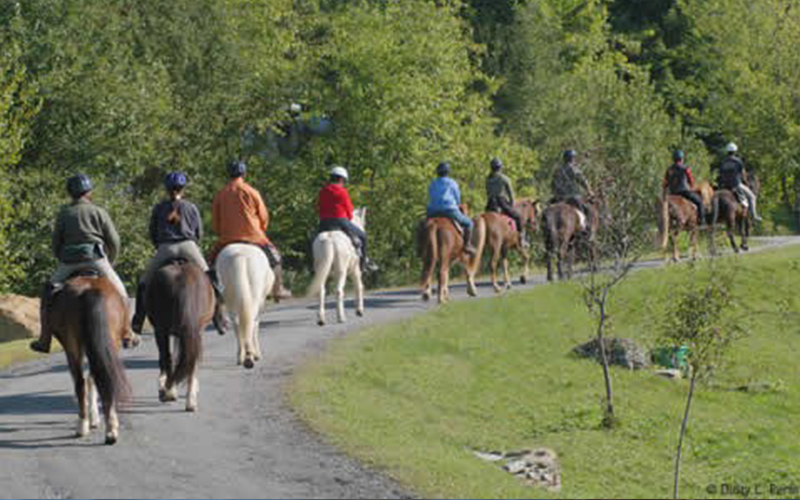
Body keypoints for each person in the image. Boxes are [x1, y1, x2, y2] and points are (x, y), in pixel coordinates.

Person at [30, 174, 129, 353]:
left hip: (69, 262)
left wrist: (61, 258)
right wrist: (110, 260)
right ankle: (128, 331)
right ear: (89, 192)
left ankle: (44, 339)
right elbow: (114, 240)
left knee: (48, 293)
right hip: (96, 260)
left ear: (70, 193)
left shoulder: (64, 213)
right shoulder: (99, 211)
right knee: (121, 290)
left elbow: (56, 243)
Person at [131, 172, 226, 335]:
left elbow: (152, 231)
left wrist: (159, 245)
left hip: (165, 247)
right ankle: (218, 318)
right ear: (183, 188)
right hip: (188, 246)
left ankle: (139, 320)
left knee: (144, 281)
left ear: (166, 189)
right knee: (211, 277)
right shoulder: (191, 207)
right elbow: (198, 232)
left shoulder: (159, 207)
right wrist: (193, 243)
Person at [209, 160, 292, 302]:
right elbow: (264, 217)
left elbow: (216, 222)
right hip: (254, 237)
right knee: (276, 259)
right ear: (244, 174)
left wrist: (222, 233)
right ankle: (278, 289)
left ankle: (214, 294)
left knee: (209, 265)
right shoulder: (252, 192)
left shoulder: (220, 194)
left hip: (227, 239)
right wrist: (261, 229)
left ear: (228, 174)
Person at [317, 166, 379, 272]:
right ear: (341, 179)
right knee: (363, 237)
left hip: (324, 223)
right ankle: (363, 264)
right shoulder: (342, 191)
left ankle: (312, 265)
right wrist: (349, 218)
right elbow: (349, 210)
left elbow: (319, 207)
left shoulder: (323, 191)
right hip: (341, 221)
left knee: (312, 239)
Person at [427, 162, 476, 255]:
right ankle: (467, 245)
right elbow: (457, 197)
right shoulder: (452, 182)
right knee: (469, 223)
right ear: (448, 172)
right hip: (449, 210)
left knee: (422, 225)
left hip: (433, 211)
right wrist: (457, 204)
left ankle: (419, 246)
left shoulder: (433, 183)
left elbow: (431, 195)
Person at [716, 142, 762, 221]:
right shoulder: (738, 161)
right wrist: (745, 182)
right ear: (735, 151)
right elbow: (743, 174)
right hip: (736, 184)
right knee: (752, 197)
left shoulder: (723, 162)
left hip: (724, 185)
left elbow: (720, 173)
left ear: (727, 151)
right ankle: (754, 215)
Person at [551, 149, 594, 229]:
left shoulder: (557, 170)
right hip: (572, 196)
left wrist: (556, 193)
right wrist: (590, 191)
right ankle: (587, 230)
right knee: (588, 211)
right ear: (572, 158)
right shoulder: (574, 169)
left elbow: (553, 184)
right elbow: (582, 180)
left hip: (558, 197)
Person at [485, 157, 524, 239]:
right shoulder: (504, 179)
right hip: (501, 202)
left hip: (490, 203)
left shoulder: (488, 179)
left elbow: (488, 192)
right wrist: (512, 203)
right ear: (500, 167)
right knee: (518, 217)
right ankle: (521, 238)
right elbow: (510, 194)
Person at [663, 150, 705, 226]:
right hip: (684, 192)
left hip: (673, 193)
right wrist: (692, 186)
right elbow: (691, 180)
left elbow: (665, 184)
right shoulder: (685, 168)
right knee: (700, 202)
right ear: (682, 158)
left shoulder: (669, 169)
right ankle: (701, 221)